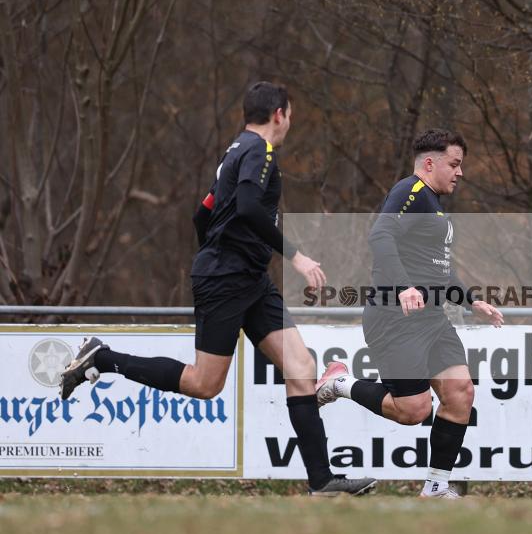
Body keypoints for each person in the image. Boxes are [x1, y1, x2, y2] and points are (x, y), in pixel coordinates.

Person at [58, 81, 375, 497]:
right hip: (227, 280)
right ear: (279, 113)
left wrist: (225, 251)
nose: (290, 122)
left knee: (301, 369)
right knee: (204, 385)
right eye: (291, 114)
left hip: (249, 280)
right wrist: (293, 256)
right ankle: (104, 357)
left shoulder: (234, 152)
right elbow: (245, 206)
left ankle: (323, 482)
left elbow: (201, 214)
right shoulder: (259, 152)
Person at [314, 129, 504, 499]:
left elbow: (440, 270)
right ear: (430, 163)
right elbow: (379, 236)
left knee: (461, 393)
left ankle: (436, 486)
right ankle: (341, 384)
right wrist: (404, 287)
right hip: (394, 318)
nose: (459, 172)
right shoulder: (410, 191)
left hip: (431, 319)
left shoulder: (433, 204)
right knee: (414, 410)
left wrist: (471, 302)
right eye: (454, 164)